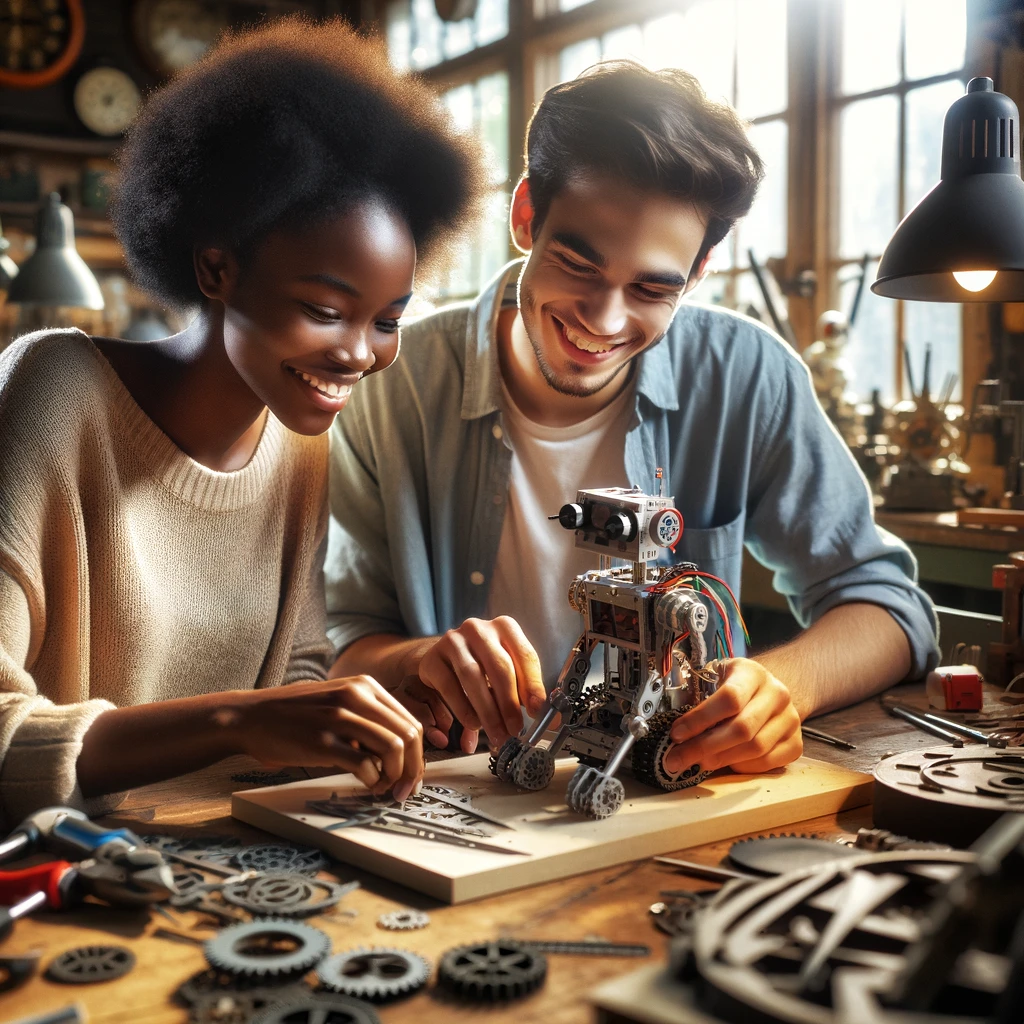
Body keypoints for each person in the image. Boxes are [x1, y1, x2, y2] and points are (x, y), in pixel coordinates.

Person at [326, 61, 939, 780]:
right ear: (526, 216)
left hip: (666, 794)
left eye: (652, 288)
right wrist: (414, 661)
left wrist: (784, 690)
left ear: (701, 269)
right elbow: (341, 637)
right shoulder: (391, 387)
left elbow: (891, 608)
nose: (604, 321)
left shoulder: (748, 376)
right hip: (467, 787)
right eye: (578, 264)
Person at [0, 18, 484, 829]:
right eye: (325, 310)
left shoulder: (302, 441)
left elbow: (293, 677)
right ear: (216, 267)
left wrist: (390, 706)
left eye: (387, 320)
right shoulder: (57, 393)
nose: (359, 355)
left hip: (212, 869)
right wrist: (243, 721)